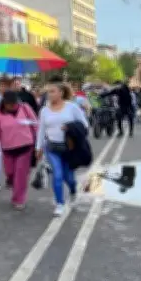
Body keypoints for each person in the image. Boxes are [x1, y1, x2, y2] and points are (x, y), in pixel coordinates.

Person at [36, 79, 89, 217]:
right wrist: (38, 147)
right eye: (48, 92)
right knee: (57, 175)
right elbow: (41, 130)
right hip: (52, 148)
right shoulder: (44, 110)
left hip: (68, 149)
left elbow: (84, 125)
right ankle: (59, 203)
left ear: (61, 92)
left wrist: (70, 127)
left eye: (52, 91)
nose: (49, 94)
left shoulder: (72, 107)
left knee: (69, 178)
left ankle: (73, 191)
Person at [0, 91, 38, 210]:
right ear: (4, 103)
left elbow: (36, 125)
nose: (13, 106)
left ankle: (19, 199)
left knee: (20, 173)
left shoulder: (25, 108)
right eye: (9, 104)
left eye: (14, 103)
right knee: (10, 172)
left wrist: (39, 145)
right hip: (8, 149)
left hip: (26, 146)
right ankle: (12, 182)